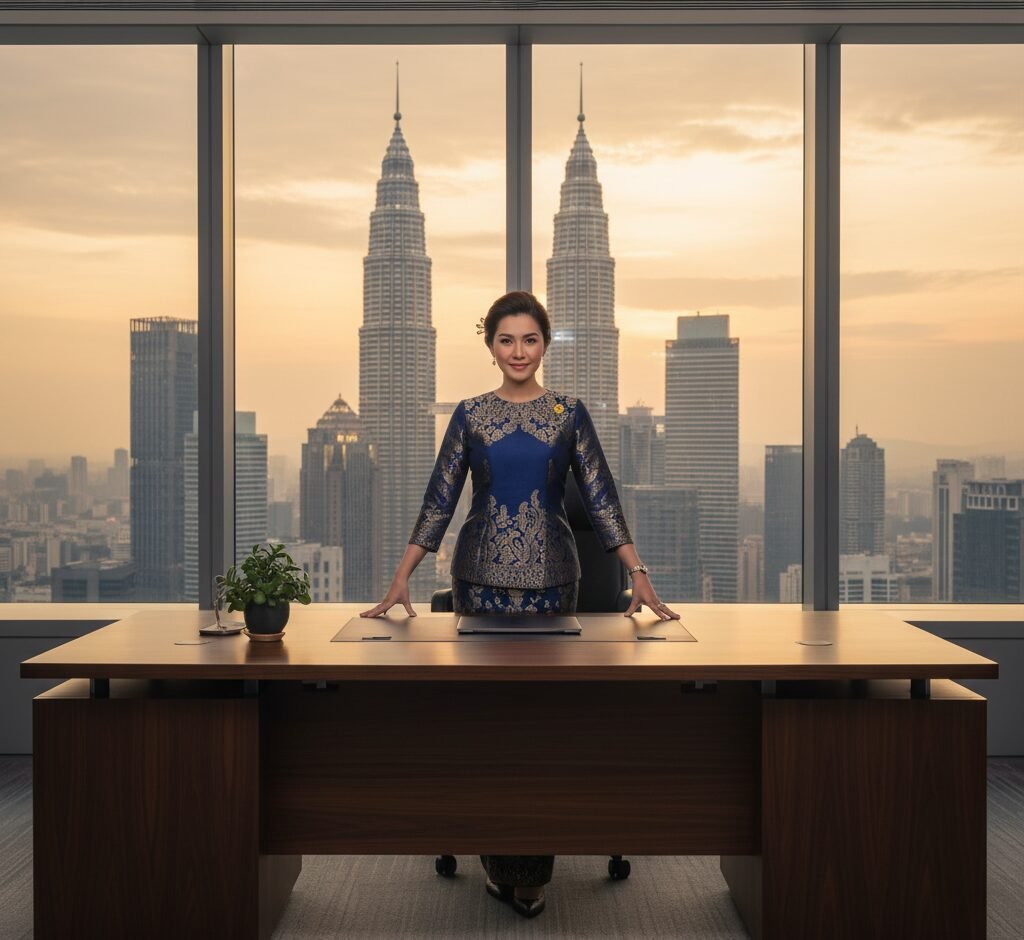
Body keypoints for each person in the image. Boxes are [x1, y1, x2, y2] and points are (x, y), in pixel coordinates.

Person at [360, 290, 680, 918]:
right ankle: (500, 855)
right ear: (490, 346)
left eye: (530, 340)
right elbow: (439, 501)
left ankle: (530, 870)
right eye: (506, 340)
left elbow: (604, 498)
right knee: (487, 725)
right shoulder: (470, 414)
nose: (518, 351)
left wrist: (638, 574)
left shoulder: (569, 413)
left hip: (553, 586)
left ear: (545, 344)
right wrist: (400, 579)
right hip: (478, 584)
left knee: (542, 726)